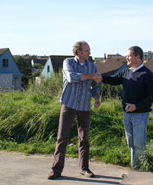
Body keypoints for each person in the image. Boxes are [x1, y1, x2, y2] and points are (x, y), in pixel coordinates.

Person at [50, 41, 102, 180]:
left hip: (85, 106)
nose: (89, 53)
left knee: (84, 138)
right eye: (86, 51)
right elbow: (71, 77)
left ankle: (84, 168)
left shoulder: (92, 65)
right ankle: (56, 169)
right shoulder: (68, 62)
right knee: (62, 137)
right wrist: (90, 76)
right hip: (69, 104)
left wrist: (97, 98)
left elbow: (96, 86)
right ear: (79, 52)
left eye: (89, 50)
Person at [100, 46, 153, 169]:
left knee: (139, 144)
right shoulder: (126, 72)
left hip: (140, 115)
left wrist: (136, 106)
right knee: (131, 143)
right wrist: (100, 78)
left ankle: (141, 169)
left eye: (129, 56)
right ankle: (135, 167)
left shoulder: (147, 74)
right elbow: (114, 80)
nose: (126, 58)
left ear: (138, 57)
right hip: (127, 114)